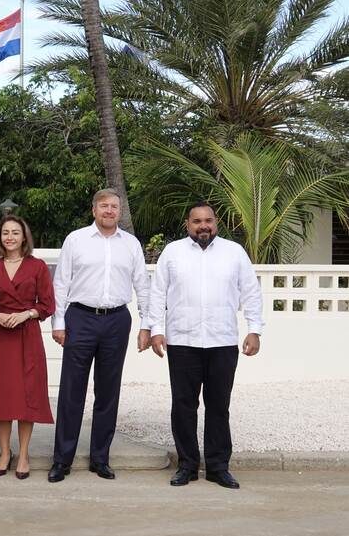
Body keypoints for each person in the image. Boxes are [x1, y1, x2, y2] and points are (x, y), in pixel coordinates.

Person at [143, 202, 262, 489]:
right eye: (197, 221)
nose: (203, 225)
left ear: (216, 222)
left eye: (208, 220)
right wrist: (156, 330)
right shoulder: (173, 253)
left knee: (219, 406)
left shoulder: (234, 253)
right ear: (188, 225)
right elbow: (158, 293)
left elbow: (251, 292)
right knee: (183, 405)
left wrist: (254, 329)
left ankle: (218, 467)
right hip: (183, 341)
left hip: (222, 341)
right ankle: (187, 465)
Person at [48, 188, 150, 483]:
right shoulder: (76, 240)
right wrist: (59, 323)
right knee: (71, 391)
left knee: (108, 392)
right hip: (80, 318)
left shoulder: (131, 244)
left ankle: (100, 458)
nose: (109, 211)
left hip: (117, 320)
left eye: (114, 206)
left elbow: (142, 285)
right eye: (103, 206)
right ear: (94, 210)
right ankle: (62, 459)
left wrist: (148, 325)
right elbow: (61, 283)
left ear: (119, 211)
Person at [0, 215, 55, 480]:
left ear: (24, 236)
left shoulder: (37, 267)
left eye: (15, 232)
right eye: (5, 233)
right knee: (2, 397)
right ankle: (5, 452)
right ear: (0, 238)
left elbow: (48, 304)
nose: (10, 237)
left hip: (28, 335)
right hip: (0, 339)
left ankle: (24, 453)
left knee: (28, 395)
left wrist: (27, 314)